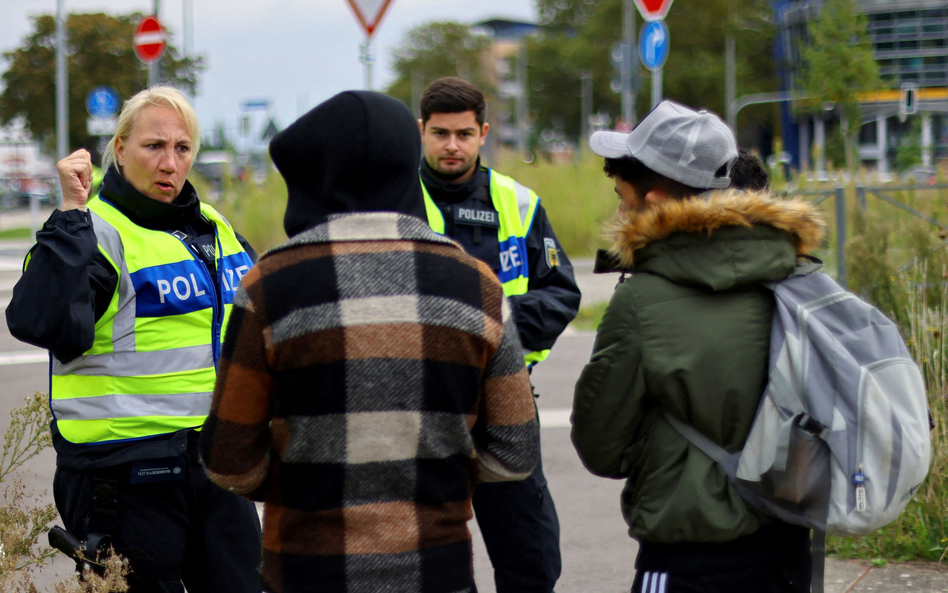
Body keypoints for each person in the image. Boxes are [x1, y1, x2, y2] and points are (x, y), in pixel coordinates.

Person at [199, 90, 540, 593]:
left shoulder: (269, 287)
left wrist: (309, 479)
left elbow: (228, 460)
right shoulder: (478, 286)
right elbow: (515, 452)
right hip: (437, 571)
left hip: (306, 572)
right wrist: (435, 477)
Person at [5, 86, 261, 592]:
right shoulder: (93, 232)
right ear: (119, 149)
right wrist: (72, 217)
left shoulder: (215, 228)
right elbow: (43, 321)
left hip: (213, 466)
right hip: (124, 477)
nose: (170, 163)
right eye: (153, 146)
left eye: (182, 148)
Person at [571, 100, 825, 593]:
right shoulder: (798, 275)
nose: (620, 211)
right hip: (790, 551)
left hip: (688, 556)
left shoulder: (642, 302)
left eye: (624, 198)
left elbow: (601, 448)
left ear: (659, 200)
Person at [417, 76, 580, 593]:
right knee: (424, 563)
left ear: (484, 132)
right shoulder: (392, 203)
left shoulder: (520, 203)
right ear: (421, 131)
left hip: (504, 403)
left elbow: (560, 294)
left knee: (531, 559)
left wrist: (486, 327)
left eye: (464, 134)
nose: (451, 146)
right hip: (420, 409)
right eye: (440, 133)